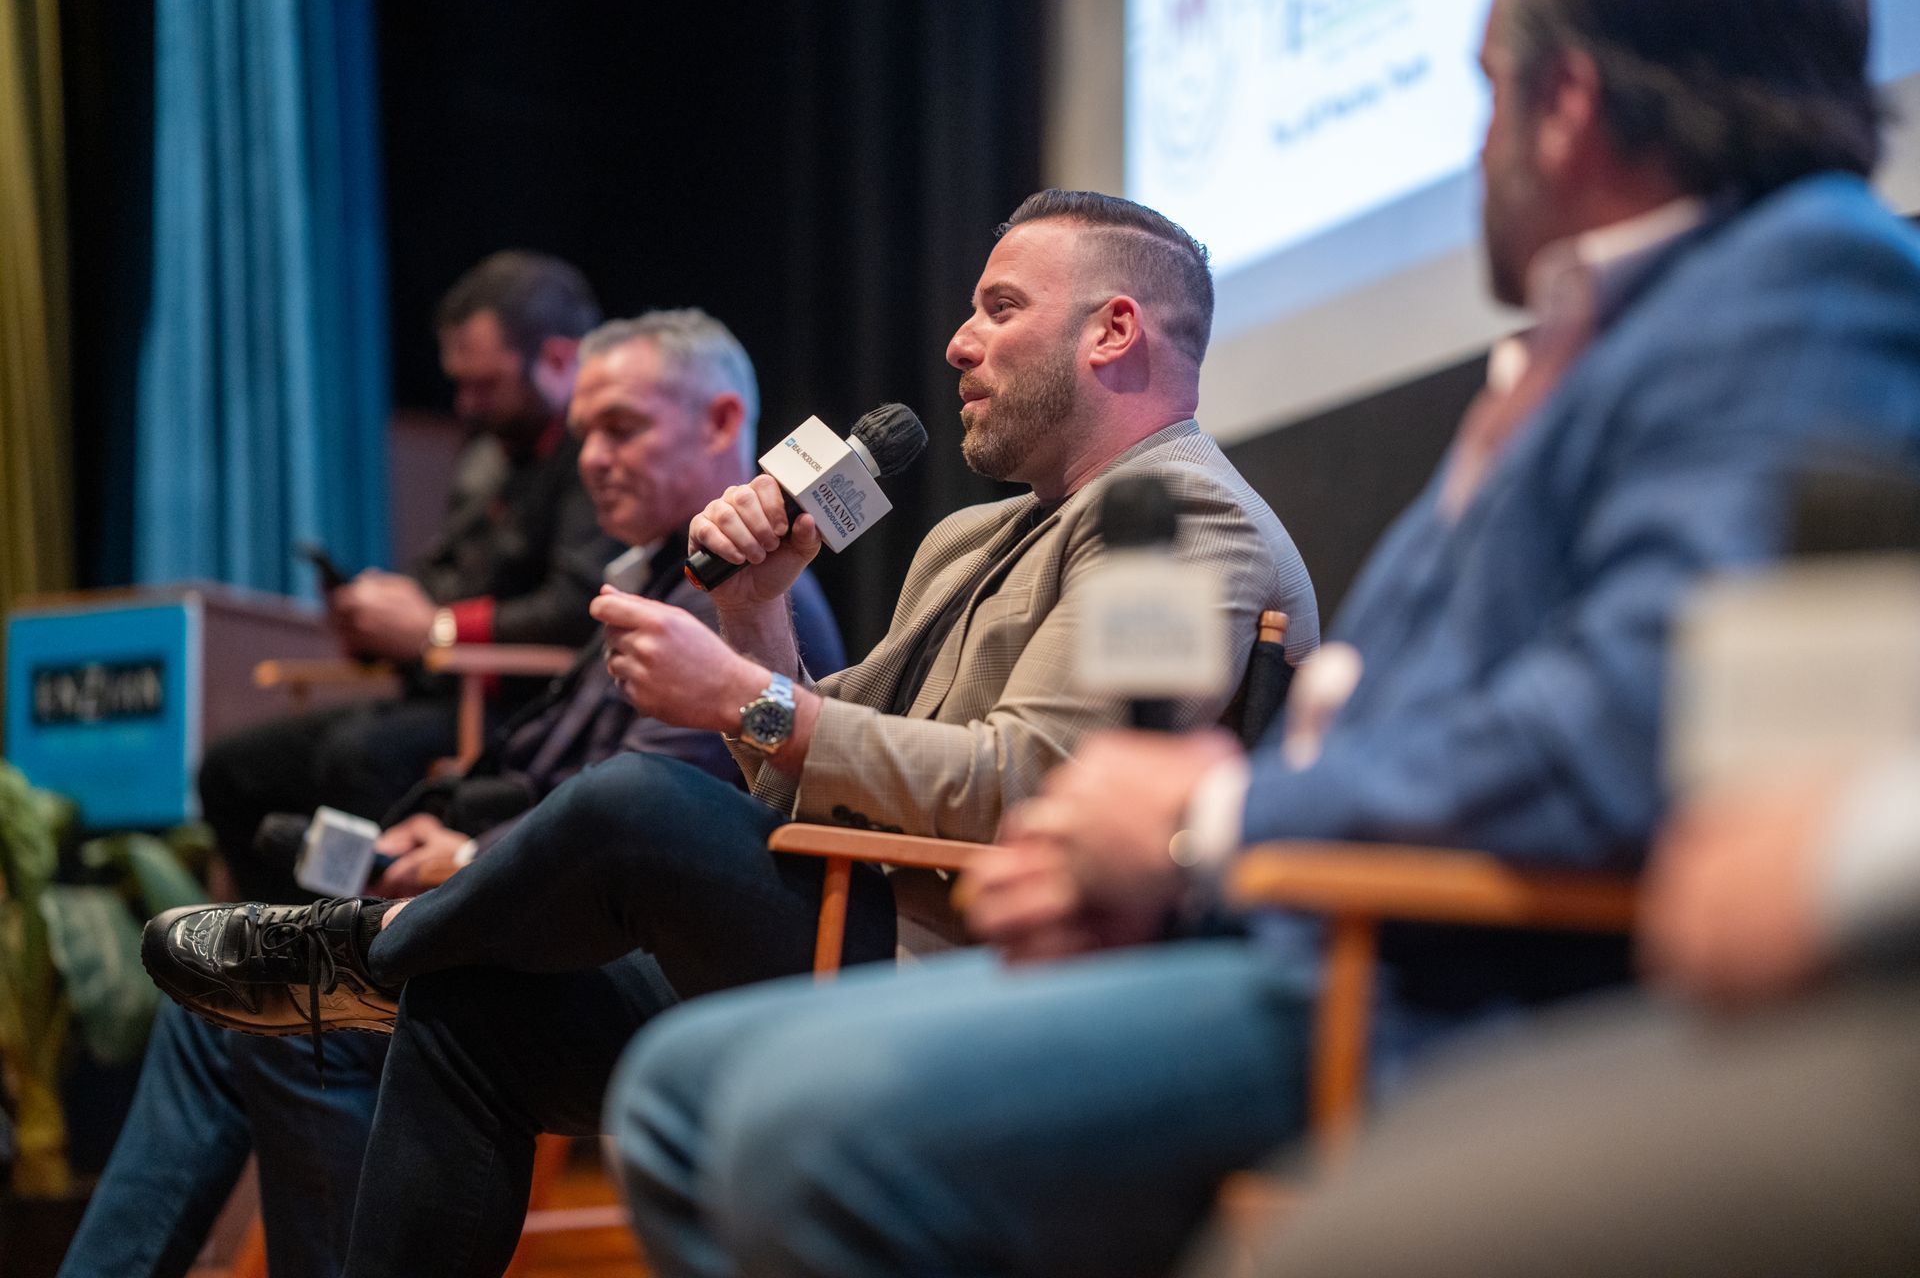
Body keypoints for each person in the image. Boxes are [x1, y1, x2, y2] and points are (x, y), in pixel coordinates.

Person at [603, 1, 1920, 1275]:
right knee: (673, 1092)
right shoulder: (1606, 337)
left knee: (760, 1080)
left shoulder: (1787, 289)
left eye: (1485, 95)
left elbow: (1623, 719)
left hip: (1399, 970)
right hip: (1264, 922)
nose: (1475, 150)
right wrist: (756, 616)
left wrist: (1210, 826)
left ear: (1566, 105)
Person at [141, 190, 1320, 1278]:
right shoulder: (970, 537)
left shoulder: (1185, 517)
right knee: (471, 1015)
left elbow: (1030, 787)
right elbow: (805, 773)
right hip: (859, 908)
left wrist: (738, 698)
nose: (960, 342)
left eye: (1000, 308)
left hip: (974, 959)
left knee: (638, 803)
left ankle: (368, 946)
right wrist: (755, 608)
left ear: (1112, 331)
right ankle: (393, 960)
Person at [63, 310, 844, 1278]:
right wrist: (447, 831)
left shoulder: (749, 602)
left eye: (622, 428)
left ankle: (351, 958)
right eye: (583, 433)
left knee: (299, 1020)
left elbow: (652, 811)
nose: (591, 459)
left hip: (627, 938)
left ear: (722, 420)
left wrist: (471, 859)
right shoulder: (653, 576)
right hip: (535, 896)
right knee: (213, 1008)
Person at [1200, 754, 1920, 1276]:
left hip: (1397, 971)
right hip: (1293, 926)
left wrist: (1847, 856)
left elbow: (1577, 754)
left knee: (1340, 1248)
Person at [198, 251, 623, 903]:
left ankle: (372, 946)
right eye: (461, 384)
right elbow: (445, 578)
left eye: (486, 384)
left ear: (560, 359)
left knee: (360, 755)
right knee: (233, 769)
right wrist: (378, 620)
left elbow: (577, 607)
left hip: (524, 704)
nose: (467, 404)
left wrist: (435, 629)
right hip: (440, 692)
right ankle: (280, 944)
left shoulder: (596, 463)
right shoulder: (489, 454)